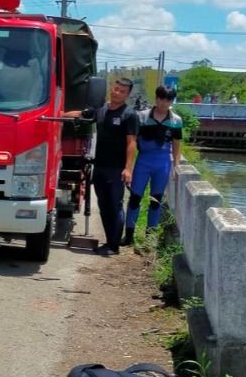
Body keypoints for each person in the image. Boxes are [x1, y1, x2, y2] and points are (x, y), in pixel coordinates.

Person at [66, 77, 138, 255]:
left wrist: (128, 168)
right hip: (100, 166)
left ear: (127, 95)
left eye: (122, 91)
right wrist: (60, 113)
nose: (117, 93)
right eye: (116, 88)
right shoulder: (102, 110)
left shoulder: (129, 115)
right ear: (112, 88)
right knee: (104, 206)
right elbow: (82, 115)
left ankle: (114, 245)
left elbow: (132, 143)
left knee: (115, 205)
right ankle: (108, 242)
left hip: (116, 168)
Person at [122, 86, 183, 246]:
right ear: (156, 99)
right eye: (161, 99)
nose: (164, 103)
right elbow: (132, 142)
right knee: (135, 198)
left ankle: (150, 237)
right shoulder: (141, 117)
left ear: (171, 101)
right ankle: (128, 235)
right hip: (143, 161)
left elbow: (177, 145)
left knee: (156, 200)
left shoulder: (176, 120)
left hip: (162, 163)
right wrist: (129, 166)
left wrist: (176, 166)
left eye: (168, 100)